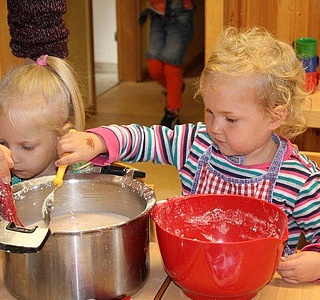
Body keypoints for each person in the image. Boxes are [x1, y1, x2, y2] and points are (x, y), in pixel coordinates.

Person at [30, 27, 320, 283]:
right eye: (209, 111)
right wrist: (98, 141)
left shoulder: (300, 179)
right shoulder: (197, 142)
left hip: (260, 292)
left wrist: (316, 263)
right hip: (192, 276)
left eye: (230, 119)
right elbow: (146, 139)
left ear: (275, 117)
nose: (215, 128)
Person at [0, 54, 85, 185]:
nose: (13, 158)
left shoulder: (85, 174)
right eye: (3, 143)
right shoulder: (4, 177)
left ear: (62, 136)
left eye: (26, 147)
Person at [139, 0, 195, 128]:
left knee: (171, 64)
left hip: (180, 17)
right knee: (154, 66)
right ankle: (176, 88)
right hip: (157, 15)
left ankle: (172, 112)